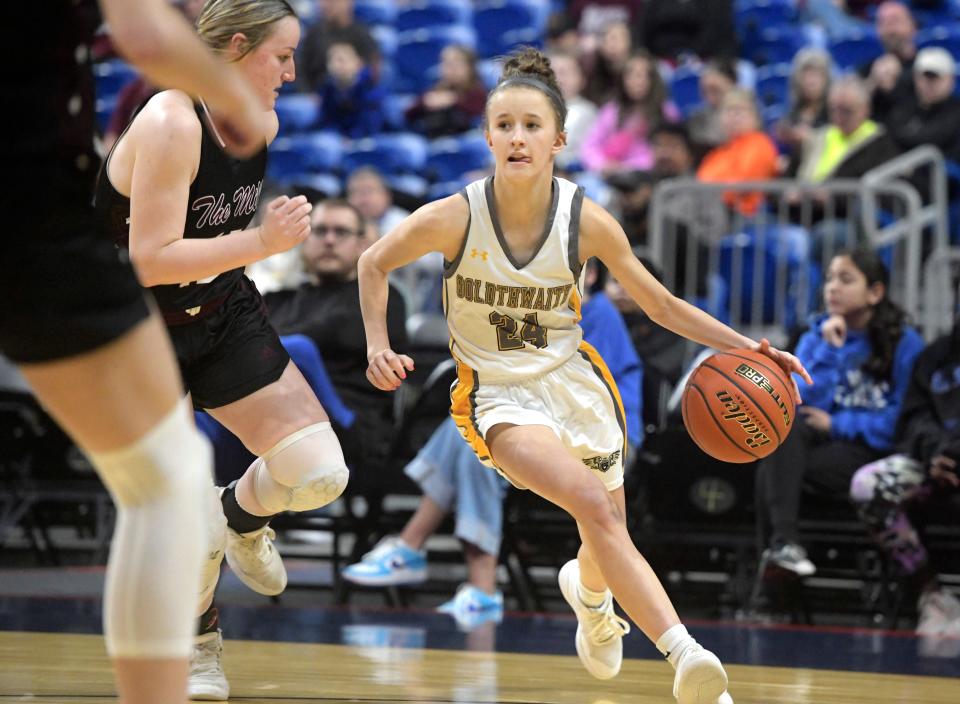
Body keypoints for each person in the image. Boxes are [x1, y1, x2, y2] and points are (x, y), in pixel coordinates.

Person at [357, 46, 811, 704]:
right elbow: (374, 262)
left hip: (577, 387)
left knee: (605, 531)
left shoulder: (587, 221)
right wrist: (378, 343)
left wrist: (753, 349)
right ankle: (687, 658)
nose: (517, 137)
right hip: (500, 395)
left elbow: (661, 306)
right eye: (504, 125)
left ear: (559, 139)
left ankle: (592, 601)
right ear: (487, 136)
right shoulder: (456, 216)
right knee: (594, 507)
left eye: (531, 125)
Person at [1, 0, 270, 702]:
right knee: (167, 483)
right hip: (29, 215)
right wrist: (231, 94)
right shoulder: (176, 121)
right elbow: (146, 34)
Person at [93, 2, 350, 700]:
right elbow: (148, 260)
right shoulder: (173, 119)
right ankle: (199, 648)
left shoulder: (260, 120)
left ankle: (242, 515)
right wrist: (263, 244)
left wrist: (249, 252)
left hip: (220, 306)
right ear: (236, 47)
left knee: (322, 472)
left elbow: (213, 245)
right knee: (182, 513)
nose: (292, 73)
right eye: (282, 55)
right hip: (140, 326)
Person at [342, 261, 644, 631]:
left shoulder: (597, 314)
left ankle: (438, 558)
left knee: (481, 441)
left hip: (599, 437)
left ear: (587, 275)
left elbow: (585, 398)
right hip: (546, 424)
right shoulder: (532, 305)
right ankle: (440, 565)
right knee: (475, 432)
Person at [755, 249, 924, 578]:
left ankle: (777, 564)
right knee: (782, 438)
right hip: (816, 445)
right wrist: (829, 352)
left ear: (875, 292)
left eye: (846, 280)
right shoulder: (815, 335)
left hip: (871, 451)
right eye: (830, 278)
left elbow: (901, 420)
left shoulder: (905, 343)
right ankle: (783, 548)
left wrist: (837, 423)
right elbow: (798, 402)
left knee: (773, 470)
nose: (832, 287)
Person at [850, 319, 960, 636]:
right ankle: (932, 594)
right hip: (935, 462)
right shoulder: (937, 355)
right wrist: (935, 455)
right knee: (868, 485)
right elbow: (914, 419)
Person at [580, 49, 680, 176]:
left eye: (643, 75)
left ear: (653, 80)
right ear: (622, 79)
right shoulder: (611, 110)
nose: (638, 81)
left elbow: (668, 152)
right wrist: (602, 164)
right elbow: (590, 147)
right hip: (610, 174)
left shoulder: (667, 112)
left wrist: (627, 169)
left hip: (648, 177)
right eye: (631, 75)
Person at [696, 88, 779, 217]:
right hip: (712, 213)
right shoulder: (717, 153)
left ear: (756, 118)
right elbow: (700, 182)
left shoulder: (759, 143)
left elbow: (743, 183)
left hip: (743, 217)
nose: (733, 116)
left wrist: (713, 192)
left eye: (740, 110)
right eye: (728, 110)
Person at [405, 44, 487, 139]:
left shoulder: (477, 91)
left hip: (465, 140)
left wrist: (454, 101)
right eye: (446, 63)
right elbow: (408, 115)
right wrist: (425, 102)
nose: (450, 68)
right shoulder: (436, 89)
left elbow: (481, 114)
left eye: (456, 63)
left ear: (470, 67)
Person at [316, 39, 385, 138]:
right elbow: (327, 120)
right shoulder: (328, 88)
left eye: (341, 60)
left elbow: (370, 123)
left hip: (368, 138)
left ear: (358, 63)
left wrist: (352, 137)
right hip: (339, 139)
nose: (335, 65)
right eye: (331, 60)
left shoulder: (370, 87)